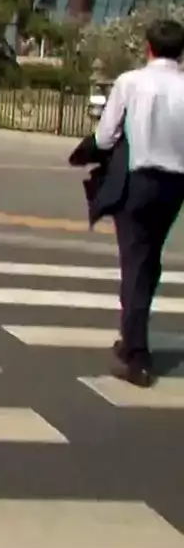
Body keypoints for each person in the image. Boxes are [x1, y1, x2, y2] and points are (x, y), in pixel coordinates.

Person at [94, 19, 184, 387]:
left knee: (135, 260)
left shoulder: (130, 83)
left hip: (138, 180)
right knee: (148, 259)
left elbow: (103, 137)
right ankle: (132, 335)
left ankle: (136, 355)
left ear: (148, 47)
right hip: (175, 184)